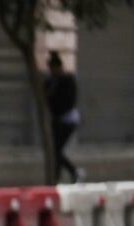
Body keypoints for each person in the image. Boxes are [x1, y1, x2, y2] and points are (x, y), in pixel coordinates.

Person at [44, 51, 81, 183]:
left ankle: (74, 172)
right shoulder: (50, 81)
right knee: (56, 150)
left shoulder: (67, 79)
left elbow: (69, 101)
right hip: (57, 119)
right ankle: (58, 177)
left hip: (67, 119)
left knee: (57, 150)